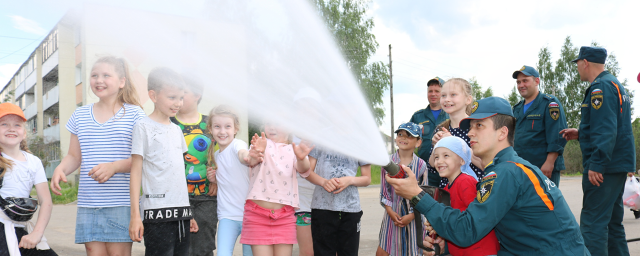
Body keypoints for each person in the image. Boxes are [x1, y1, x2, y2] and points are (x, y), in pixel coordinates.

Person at [386, 97, 590, 255]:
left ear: (502, 133)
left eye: (479, 126)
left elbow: (467, 229)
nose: (471, 133)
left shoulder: (506, 172)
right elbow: (493, 231)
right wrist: (447, 244)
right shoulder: (508, 167)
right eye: (471, 127)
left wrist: (416, 195)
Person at [51, 56, 145, 256]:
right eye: (94, 75)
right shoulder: (80, 115)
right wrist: (60, 168)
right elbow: (74, 157)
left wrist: (114, 166)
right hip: (89, 204)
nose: (98, 80)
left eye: (105, 75)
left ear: (121, 82)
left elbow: (142, 160)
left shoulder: (135, 115)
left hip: (121, 203)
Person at [560, 46, 635, 256]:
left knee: (593, 224)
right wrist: (582, 132)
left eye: (577, 64)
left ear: (585, 62)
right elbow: (611, 126)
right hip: (617, 164)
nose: (577, 69)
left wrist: (597, 164)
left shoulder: (599, 88)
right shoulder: (615, 84)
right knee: (612, 224)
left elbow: (606, 130)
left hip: (605, 167)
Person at [129, 67, 198, 256]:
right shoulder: (142, 127)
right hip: (157, 214)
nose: (178, 103)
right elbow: (135, 172)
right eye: (172, 97)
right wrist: (136, 215)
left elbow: (178, 173)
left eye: (181, 97)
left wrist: (188, 211)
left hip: (181, 214)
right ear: (153, 95)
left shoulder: (176, 130)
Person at [240, 125, 313, 256]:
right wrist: (255, 154)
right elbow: (250, 160)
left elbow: (303, 169)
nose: (272, 127)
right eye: (268, 123)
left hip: (284, 218)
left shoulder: (294, 149)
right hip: (257, 217)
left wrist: (302, 158)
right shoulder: (261, 143)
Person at [0, 103, 57, 256]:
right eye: (4, 124)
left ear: (24, 133)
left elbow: (46, 201)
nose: (11, 128)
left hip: (22, 229)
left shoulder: (34, 162)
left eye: (17, 125)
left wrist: (37, 234)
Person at [428, 136, 500, 255]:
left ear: (462, 160)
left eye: (446, 155)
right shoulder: (446, 189)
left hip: (480, 250)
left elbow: (477, 217)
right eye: (436, 157)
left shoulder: (465, 181)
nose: (439, 161)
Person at [171, 74, 217, 256]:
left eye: (184, 93)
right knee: (178, 248)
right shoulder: (169, 123)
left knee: (203, 248)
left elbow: (220, 156)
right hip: (175, 197)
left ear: (197, 94)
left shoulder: (211, 124)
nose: (179, 98)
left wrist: (216, 180)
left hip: (206, 197)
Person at [207, 105, 253, 256]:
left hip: (249, 216)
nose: (222, 131)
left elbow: (242, 154)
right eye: (217, 126)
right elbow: (228, 182)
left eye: (227, 126)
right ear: (210, 129)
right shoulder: (216, 156)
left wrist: (246, 157)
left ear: (235, 128)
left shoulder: (237, 145)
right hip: (227, 217)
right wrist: (214, 180)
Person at [377, 122, 428, 256]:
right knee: (384, 250)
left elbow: (424, 194)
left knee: (412, 249)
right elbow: (384, 191)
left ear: (418, 142)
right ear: (395, 139)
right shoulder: (387, 162)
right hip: (392, 215)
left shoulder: (421, 166)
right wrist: (390, 211)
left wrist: (411, 215)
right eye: (400, 134)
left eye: (409, 136)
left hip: (414, 217)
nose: (403, 138)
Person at [512, 65, 567, 186]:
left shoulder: (550, 103)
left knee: (545, 203)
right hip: (520, 168)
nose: (521, 85)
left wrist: (549, 162)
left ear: (537, 81)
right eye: (518, 82)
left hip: (542, 168)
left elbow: (558, 135)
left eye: (525, 80)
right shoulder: (516, 109)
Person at [427, 78, 483, 187]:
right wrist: (436, 146)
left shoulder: (477, 127)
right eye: (443, 95)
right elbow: (432, 165)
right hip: (448, 191)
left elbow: (485, 164)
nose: (447, 99)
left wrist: (454, 142)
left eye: (453, 95)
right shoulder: (441, 128)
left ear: (468, 99)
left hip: (473, 190)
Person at [410, 77, 448, 164]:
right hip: (423, 166)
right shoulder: (417, 117)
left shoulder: (451, 115)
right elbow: (408, 140)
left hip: (447, 166)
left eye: (437, 91)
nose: (433, 94)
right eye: (430, 91)